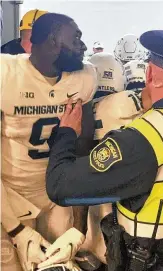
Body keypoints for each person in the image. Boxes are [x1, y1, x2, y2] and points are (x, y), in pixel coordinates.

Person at [45, 30, 163, 271]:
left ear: (152, 75)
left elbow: (60, 186)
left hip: (148, 258)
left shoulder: (144, 137)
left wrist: (66, 132)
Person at [1, 12, 97, 271]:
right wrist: (16, 228)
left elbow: (82, 153)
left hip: (56, 192)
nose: (83, 46)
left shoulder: (84, 77)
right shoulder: (6, 74)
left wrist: (78, 228)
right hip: (9, 195)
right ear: (53, 40)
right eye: (76, 38)